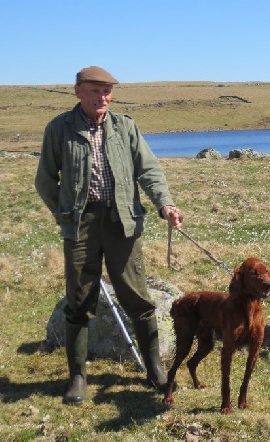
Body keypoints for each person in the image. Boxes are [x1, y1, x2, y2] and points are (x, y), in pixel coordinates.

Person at [35, 66, 185, 405]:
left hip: (123, 223)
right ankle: (77, 378)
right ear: (78, 92)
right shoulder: (59, 129)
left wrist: (166, 206)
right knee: (80, 299)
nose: (102, 97)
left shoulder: (125, 127)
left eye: (107, 91)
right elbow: (45, 180)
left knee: (137, 297)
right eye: (94, 90)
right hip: (81, 225)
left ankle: (155, 370)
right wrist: (65, 214)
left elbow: (149, 171)